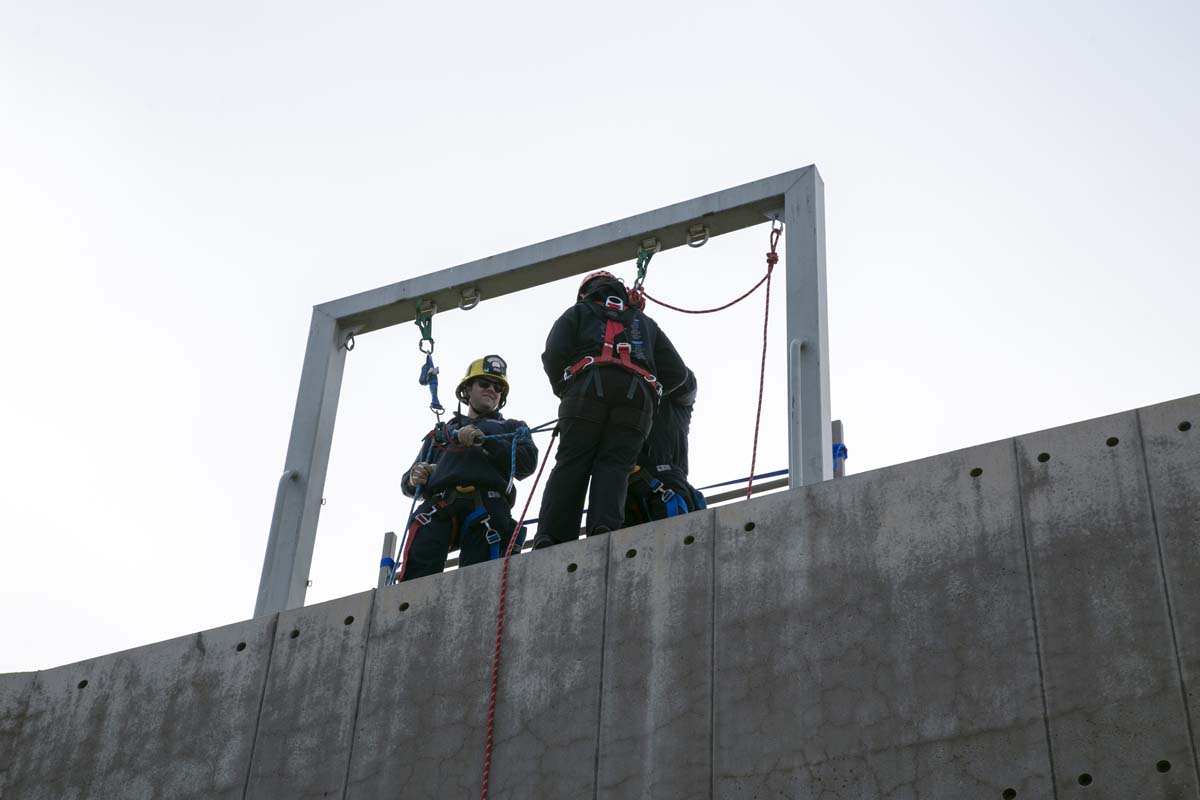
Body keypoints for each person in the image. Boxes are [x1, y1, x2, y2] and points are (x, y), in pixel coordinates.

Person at [533, 271, 688, 548]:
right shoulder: (645, 323)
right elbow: (676, 373)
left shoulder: (577, 312)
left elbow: (553, 353)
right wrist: (652, 392)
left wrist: (566, 389)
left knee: (572, 462)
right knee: (616, 464)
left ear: (585, 293)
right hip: (638, 397)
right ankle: (604, 529)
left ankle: (551, 538)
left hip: (586, 388)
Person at [397, 355, 538, 581]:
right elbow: (407, 482)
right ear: (467, 390)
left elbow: (527, 464)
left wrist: (486, 442)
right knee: (417, 573)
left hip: (488, 506)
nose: (492, 389)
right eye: (484, 384)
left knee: (479, 582)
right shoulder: (443, 433)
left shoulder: (512, 428)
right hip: (440, 505)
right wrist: (414, 477)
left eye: (498, 387)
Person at [623, 367, 707, 526]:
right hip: (625, 485)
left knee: (672, 540)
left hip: (664, 480)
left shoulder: (676, 401)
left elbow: (687, 383)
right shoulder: (628, 397)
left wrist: (648, 360)